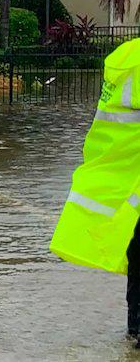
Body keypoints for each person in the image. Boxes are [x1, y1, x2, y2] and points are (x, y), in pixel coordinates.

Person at [50, 38, 140, 342]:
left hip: (123, 172)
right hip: (131, 172)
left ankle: (135, 330)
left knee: (138, 251)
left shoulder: (126, 58)